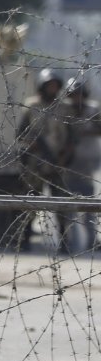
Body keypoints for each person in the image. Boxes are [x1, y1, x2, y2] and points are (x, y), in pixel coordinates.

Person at [17, 68, 71, 250]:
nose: (53, 88)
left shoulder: (64, 107)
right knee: (32, 201)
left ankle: (64, 241)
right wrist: (30, 145)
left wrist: (64, 156)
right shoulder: (32, 106)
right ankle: (25, 239)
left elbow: (70, 137)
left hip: (57, 162)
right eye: (49, 85)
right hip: (35, 162)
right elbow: (21, 133)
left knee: (61, 203)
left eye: (56, 85)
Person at [61, 76, 101, 253]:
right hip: (68, 163)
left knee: (88, 207)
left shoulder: (92, 109)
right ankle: (69, 243)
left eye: (79, 94)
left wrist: (86, 131)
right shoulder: (64, 110)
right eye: (73, 95)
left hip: (87, 163)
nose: (77, 98)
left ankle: (93, 241)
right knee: (68, 208)